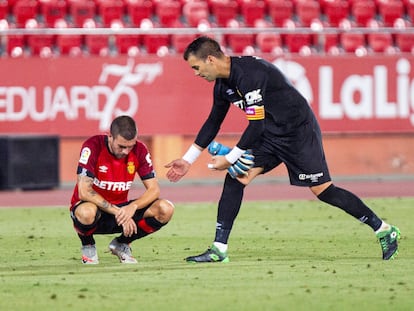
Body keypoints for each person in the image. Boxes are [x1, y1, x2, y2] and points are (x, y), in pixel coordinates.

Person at [165, 36, 400, 262]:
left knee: (324, 191)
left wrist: (232, 156)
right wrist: (188, 159)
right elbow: (213, 121)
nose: (196, 74)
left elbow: (254, 125)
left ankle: (384, 229)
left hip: (298, 132)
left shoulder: (250, 75)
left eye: (196, 67)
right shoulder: (222, 85)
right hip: (269, 133)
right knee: (236, 177)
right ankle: (219, 249)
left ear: (210, 60)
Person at [70, 115, 174, 264]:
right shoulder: (93, 146)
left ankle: (121, 244)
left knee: (165, 209)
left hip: (121, 211)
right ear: (110, 136)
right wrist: (119, 211)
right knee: (87, 212)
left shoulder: (140, 150)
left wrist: (132, 207)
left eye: (130, 146)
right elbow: (84, 191)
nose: (126, 151)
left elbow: (154, 190)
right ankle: (88, 245)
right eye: (121, 146)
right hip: (94, 211)